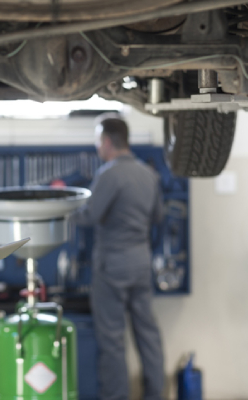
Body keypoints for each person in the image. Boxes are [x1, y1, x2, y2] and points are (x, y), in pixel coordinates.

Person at [73, 114, 165, 400]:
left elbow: (90, 216)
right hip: (140, 263)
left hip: (112, 266)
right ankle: (155, 394)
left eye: (99, 140)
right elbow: (159, 217)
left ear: (108, 141)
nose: (97, 146)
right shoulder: (148, 174)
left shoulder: (109, 174)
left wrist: (65, 208)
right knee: (147, 335)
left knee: (112, 340)